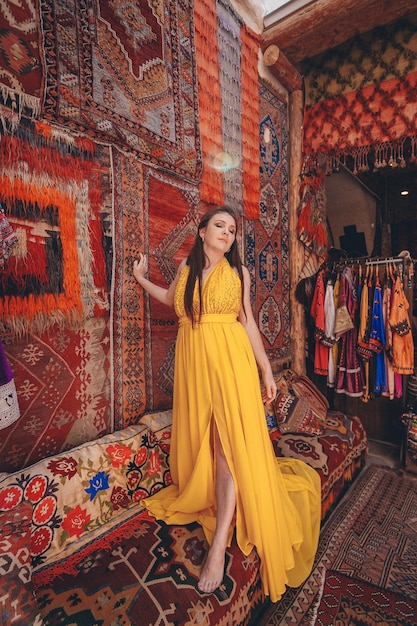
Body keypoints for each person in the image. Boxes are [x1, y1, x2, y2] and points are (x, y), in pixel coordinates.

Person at [133, 205, 321, 602]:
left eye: (233, 230)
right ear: (201, 231)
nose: (227, 233)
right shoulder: (186, 268)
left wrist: (266, 371)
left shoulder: (239, 274)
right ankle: (220, 512)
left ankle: (219, 543)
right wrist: (139, 279)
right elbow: (170, 299)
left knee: (231, 447)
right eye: (219, 226)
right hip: (194, 368)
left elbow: (247, 321)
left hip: (230, 363)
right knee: (213, 441)